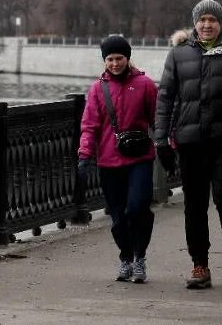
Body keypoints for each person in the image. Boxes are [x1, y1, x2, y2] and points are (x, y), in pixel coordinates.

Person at [153, 0, 222, 289]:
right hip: (190, 142)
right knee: (194, 205)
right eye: (201, 20)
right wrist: (161, 140)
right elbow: (164, 98)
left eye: (212, 20)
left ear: (221, 22)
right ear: (194, 23)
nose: (206, 25)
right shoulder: (178, 55)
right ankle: (199, 264)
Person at [78, 34, 159, 283]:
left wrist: (168, 146)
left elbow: (158, 120)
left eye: (119, 58)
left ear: (128, 58)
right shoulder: (97, 89)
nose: (115, 64)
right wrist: (84, 154)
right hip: (108, 161)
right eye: (110, 59)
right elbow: (89, 125)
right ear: (105, 61)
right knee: (117, 217)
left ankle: (140, 257)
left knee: (137, 208)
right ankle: (126, 257)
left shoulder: (145, 85)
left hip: (140, 158)